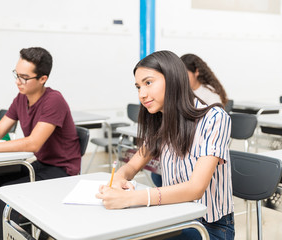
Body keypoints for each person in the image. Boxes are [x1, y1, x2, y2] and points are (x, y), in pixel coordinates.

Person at [96, 50, 234, 240]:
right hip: (172, 217)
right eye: (138, 87)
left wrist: (129, 199)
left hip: (208, 227)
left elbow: (196, 188)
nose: (142, 94)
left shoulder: (214, 118)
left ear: (173, 79)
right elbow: (132, 165)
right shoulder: (161, 119)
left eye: (148, 83)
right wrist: (119, 177)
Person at [0, 47, 81, 240]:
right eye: (16, 74)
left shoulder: (53, 100)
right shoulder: (21, 98)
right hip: (40, 165)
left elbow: (33, 144)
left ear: (42, 79)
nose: (18, 81)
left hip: (61, 171)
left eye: (24, 77)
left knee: (5, 196)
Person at [151, 53, 229, 187]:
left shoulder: (210, 96)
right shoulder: (183, 94)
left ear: (196, 72)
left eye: (185, 75)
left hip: (198, 147)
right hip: (183, 144)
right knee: (157, 172)